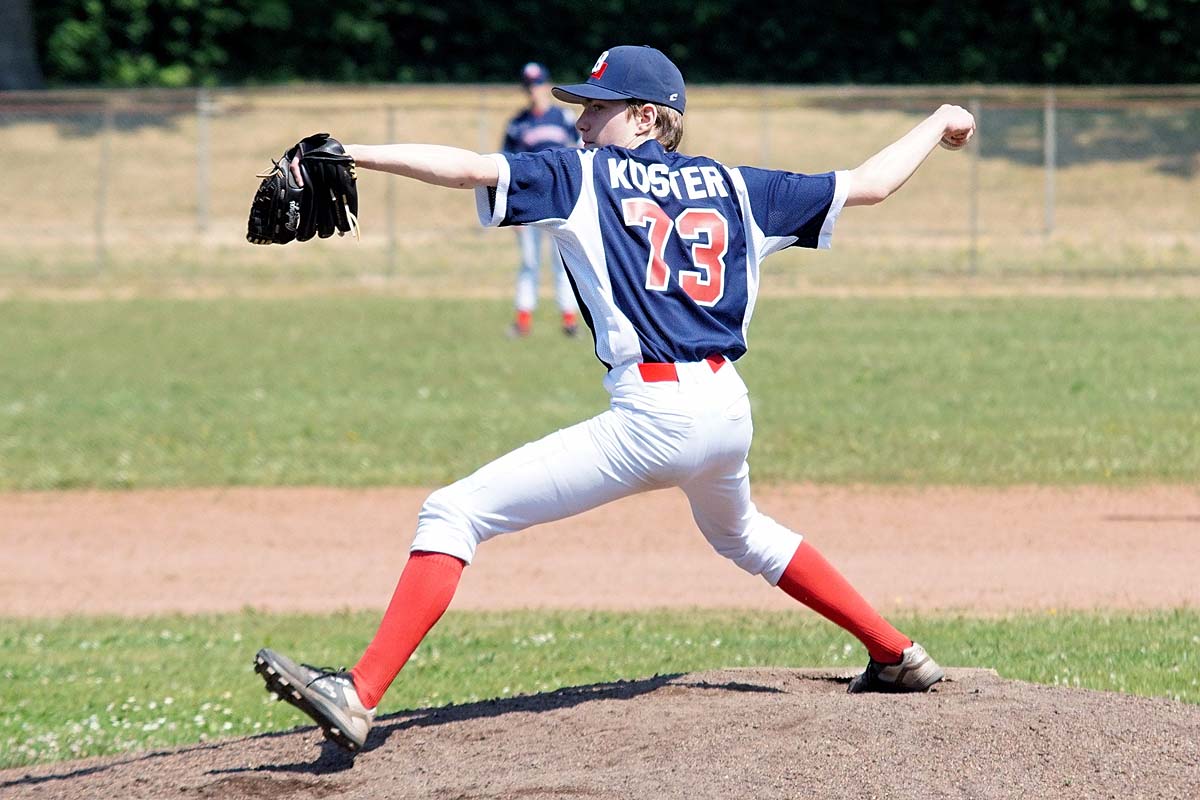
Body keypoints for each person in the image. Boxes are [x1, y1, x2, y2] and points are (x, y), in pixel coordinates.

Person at [254, 44, 976, 753]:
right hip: (726, 408)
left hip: (654, 414)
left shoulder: (584, 178)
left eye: (595, 108)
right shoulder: (736, 185)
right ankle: (897, 653)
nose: (580, 122)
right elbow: (870, 184)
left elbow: (468, 167)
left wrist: (352, 153)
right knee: (745, 534)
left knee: (454, 511)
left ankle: (359, 693)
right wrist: (939, 117)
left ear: (643, 116)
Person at [501, 62, 582, 337]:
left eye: (537, 84)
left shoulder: (564, 118)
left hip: (561, 200)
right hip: (528, 202)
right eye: (529, 86)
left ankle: (569, 320)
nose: (534, 90)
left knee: (564, 260)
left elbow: (581, 153)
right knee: (529, 262)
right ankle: (523, 320)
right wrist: (512, 207)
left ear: (546, 85)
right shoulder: (518, 123)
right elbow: (506, 166)